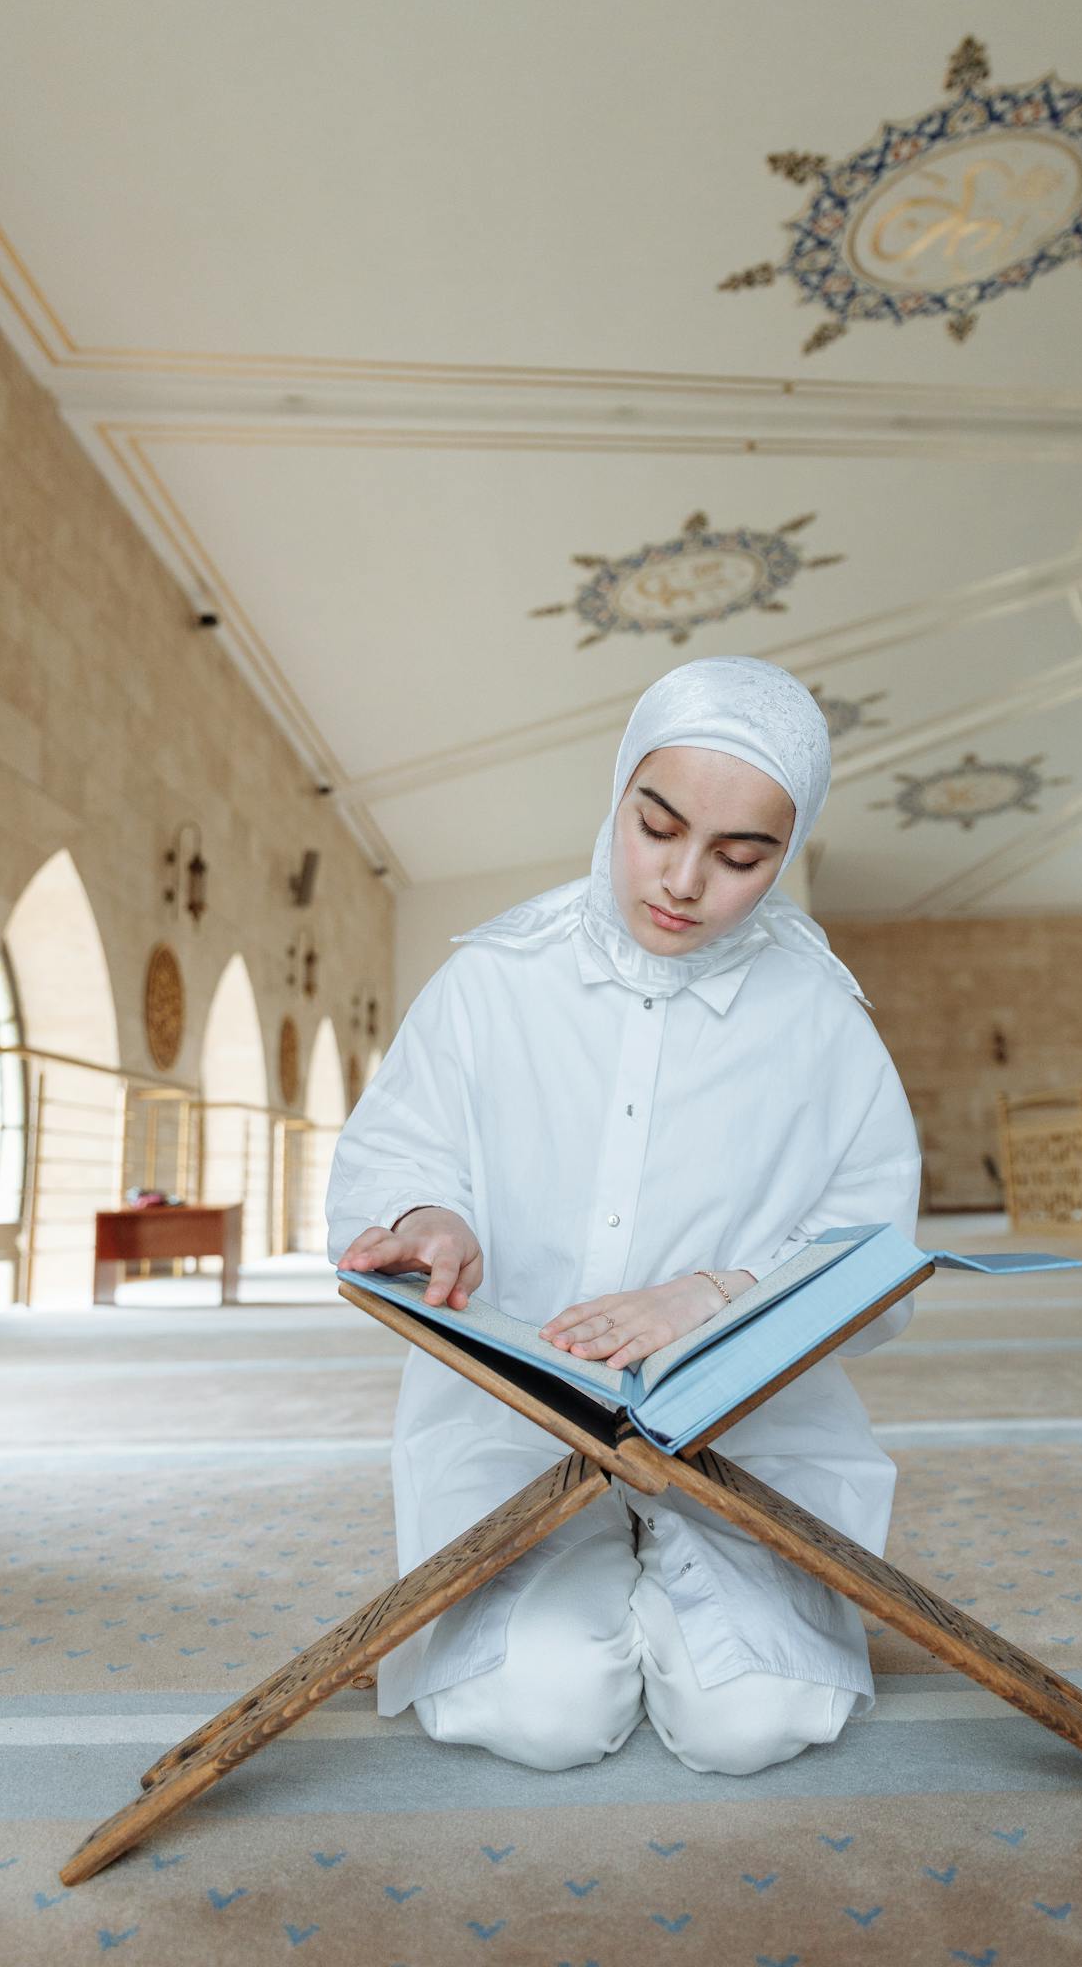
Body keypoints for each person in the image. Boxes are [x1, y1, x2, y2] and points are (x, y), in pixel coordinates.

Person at [327, 654, 921, 1775]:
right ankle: (594, 1561)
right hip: (520, 1428)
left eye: (741, 857)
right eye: (657, 826)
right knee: (539, 1714)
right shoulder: (491, 981)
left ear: (782, 858)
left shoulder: (825, 1021)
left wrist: (720, 1294)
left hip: (743, 1436)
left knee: (752, 1720)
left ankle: (673, 1556)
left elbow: (873, 1244)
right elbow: (397, 1148)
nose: (685, 880)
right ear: (616, 793)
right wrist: (429, 1217)